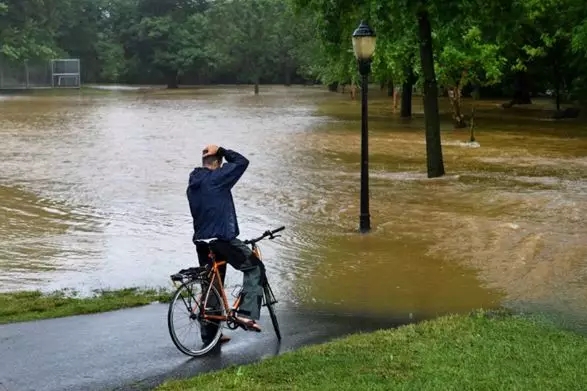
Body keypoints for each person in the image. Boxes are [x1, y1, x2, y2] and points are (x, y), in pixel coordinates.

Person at [186, 144, 265, 345]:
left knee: (212, 285)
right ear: (218, 163)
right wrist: (221, 149)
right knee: (255, 267)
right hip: (221, 239)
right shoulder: (217, 178)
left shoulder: (193, 184)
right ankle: (247, 314)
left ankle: (210, 336)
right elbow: (241, 162)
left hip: (202, 241)